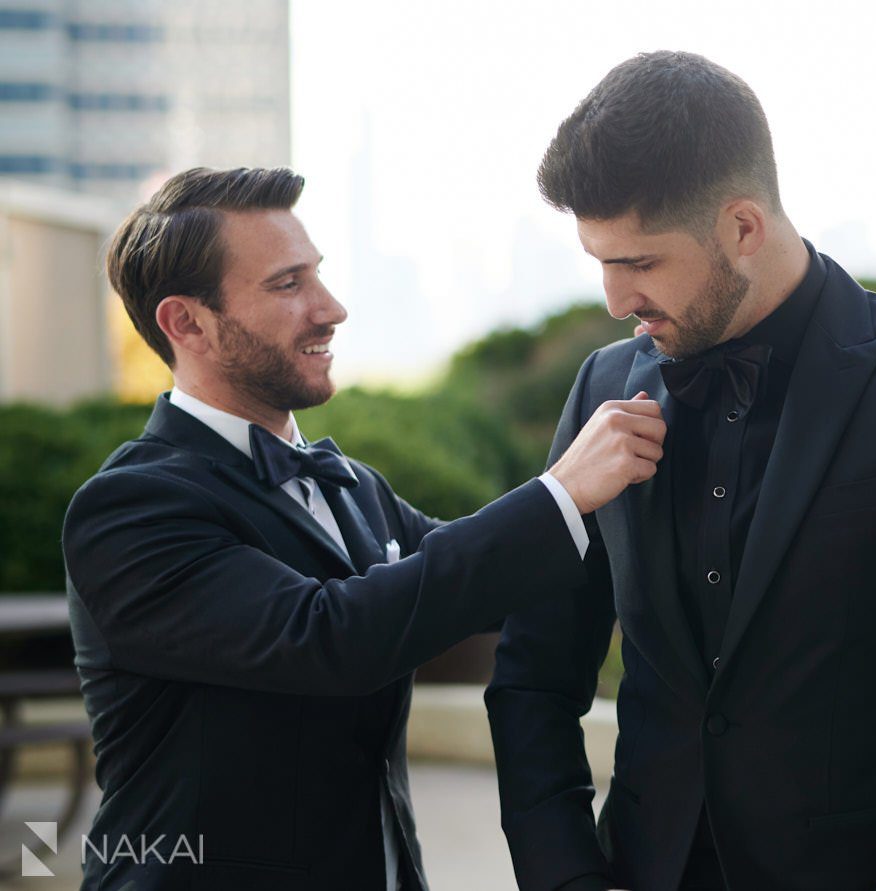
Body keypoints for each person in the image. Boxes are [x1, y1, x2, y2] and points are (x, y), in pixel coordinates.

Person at [486, 51, 876, 891]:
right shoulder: (602, 385)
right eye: (599, 261)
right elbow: (532, 676)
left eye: (638, 263)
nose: (612, 299)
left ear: (743, 227)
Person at [63, 166, 666, 890]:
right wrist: (562, 489)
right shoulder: (128, 508)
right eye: (288, 285)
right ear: (186, 322)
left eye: (317, 275)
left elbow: (481, 588)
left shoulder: (354, 486)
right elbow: (329, 638)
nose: (332, 308)